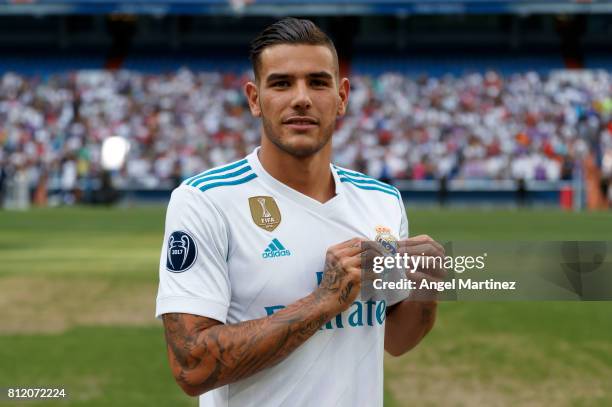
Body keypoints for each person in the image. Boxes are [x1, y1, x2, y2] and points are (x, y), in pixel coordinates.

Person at [156, 17, 444, 407]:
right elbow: (191, 367)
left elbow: (396, 339)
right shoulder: (205, 200)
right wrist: (322, 301)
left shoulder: (382, 200)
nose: (301, 98)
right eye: (281, 83)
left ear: (341, 96)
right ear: (255, 99)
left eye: (318, 82)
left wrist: (427, 293)